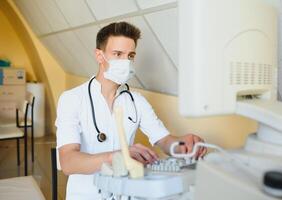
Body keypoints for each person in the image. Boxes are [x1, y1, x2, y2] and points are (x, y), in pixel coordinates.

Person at [56, 21, 207, 200]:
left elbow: (164, 140)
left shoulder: (136, 101)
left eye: (130, 56)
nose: (125, 62)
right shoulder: (72, 99)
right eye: (117, 54)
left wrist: (183, 145)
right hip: (87, 195)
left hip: (126, 194)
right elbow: (68, 162)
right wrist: (117, 156)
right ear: (99, 55)